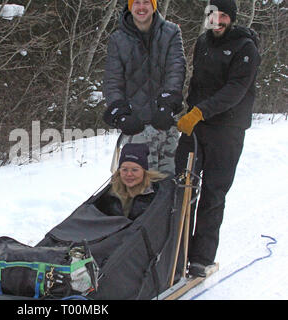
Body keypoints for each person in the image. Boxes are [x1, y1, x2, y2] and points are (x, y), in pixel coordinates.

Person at [175, 0, 261, 277]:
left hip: (227, 130)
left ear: (231, 19)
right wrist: (188, 109)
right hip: (197, 126)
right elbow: (197, 81)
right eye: (214, 14)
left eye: (224, 16)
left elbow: (236, 89)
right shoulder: (202, 42)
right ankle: (177, 251)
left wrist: (201, 110)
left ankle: (201, 258)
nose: (218, 20)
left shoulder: (245, 48)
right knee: (182, 187)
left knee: (213, 192)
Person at [102, 0, 186, 175]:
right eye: (136, 2)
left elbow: (176, 70)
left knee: (169, 184)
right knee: (138, 188)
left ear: (153, 5)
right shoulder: (118, 40)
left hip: (164, 122)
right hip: (135, 128)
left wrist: (167, 105)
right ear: (130, 6)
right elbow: (112, 81)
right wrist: (121, 115)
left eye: (146, 2)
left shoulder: (171, 32)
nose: (141, 7)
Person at [96, 143, 167, 220]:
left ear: (144, 172)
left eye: (135, 170)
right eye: (124, 169)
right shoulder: (109, 196)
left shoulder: (157, 197)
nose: (129, 174)